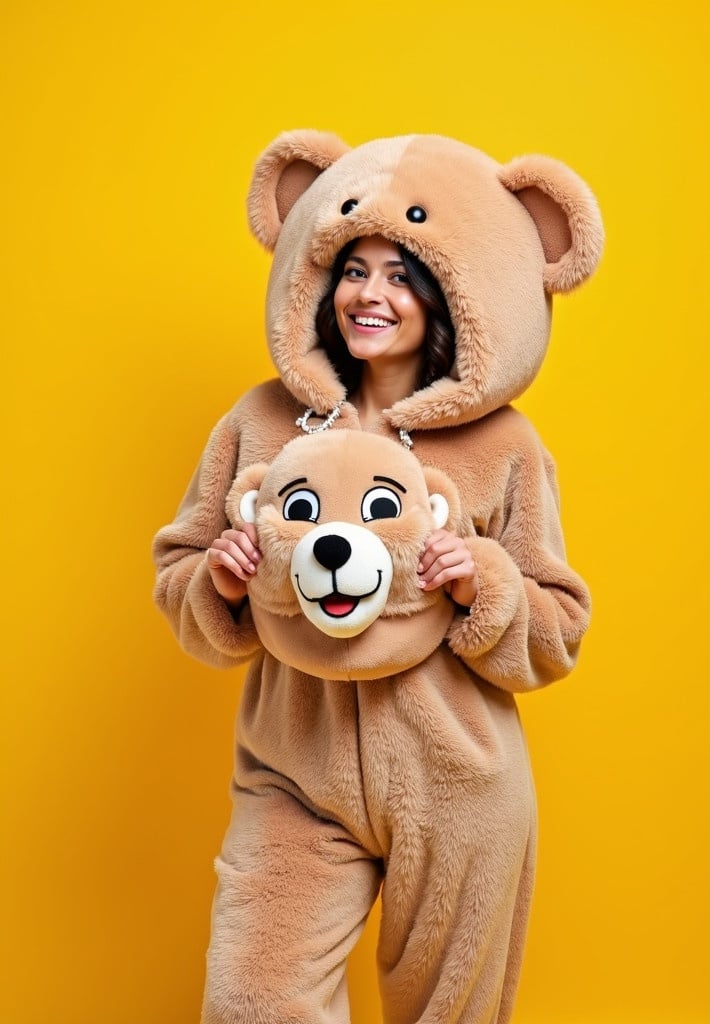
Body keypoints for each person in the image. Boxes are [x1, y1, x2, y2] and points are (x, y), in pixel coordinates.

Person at [153, 131, 601, 1024]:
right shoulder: (260, 422)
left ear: (451, 296)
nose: (371, 294)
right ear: (318, 275)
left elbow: (557, 629)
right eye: (354, 267)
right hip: (293, 769)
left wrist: (485, 581)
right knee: (255, 999)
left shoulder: (504, 446)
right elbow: (179, 573)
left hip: (460, 787)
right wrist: (222, 581)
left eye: (404, 274)